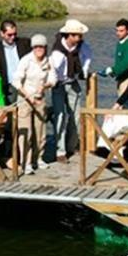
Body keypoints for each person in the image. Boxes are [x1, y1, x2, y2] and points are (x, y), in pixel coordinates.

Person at [12, 34, 58, 174]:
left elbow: (53, 79)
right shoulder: (26, 60)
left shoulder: (49, 61)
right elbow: (16, 80)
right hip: (24, 99)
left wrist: (45, 86)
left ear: (45, 48)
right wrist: (26, 95)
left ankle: (38, 159)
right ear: (33, 48)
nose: (39, 49)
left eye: (42, 47)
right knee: (26, 132)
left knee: (40, 131)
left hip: (40, 99)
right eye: (36, 47)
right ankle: (25, 162)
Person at [48, 19, 92, 163]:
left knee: (76, 116)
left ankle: (71, 146)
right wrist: (52, 80)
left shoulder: (82, 46)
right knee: (60, 117)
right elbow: (53, 67)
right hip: (59, 85)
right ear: (68, 35)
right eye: (75, 35)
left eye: (80, 35)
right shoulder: (57, 51)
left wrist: (84, 71)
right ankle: (60, 151)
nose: (78, 38)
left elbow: (88, 56)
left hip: (72, 82)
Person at [0, 20, 32, 105]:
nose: (13, 37)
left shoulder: (25, 43)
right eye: (9, 35)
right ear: (2, 33)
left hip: (26, 83)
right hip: (9, 85)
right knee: (12, 110)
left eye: (15, 34)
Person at [99, 18, 128, 96]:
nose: (118, 33)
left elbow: (127, 64)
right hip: (122, 78)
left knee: (124, 105)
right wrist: (113, 72)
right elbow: (121, 63)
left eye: (121, 31)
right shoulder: (121, 43)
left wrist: (112, 70)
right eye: (117, 30)